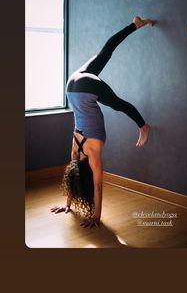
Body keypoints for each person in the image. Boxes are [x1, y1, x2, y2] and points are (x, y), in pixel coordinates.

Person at [51, 16, 155, 228]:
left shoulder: (92, 155)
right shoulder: (74, 151)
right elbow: (72, 180)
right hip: (72, 85)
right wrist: (68, 205)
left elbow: (98, 187)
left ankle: (143, 126)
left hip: (86, 89)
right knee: (105, 53)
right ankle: (135, 24)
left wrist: (96, 217)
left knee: (119, 104)